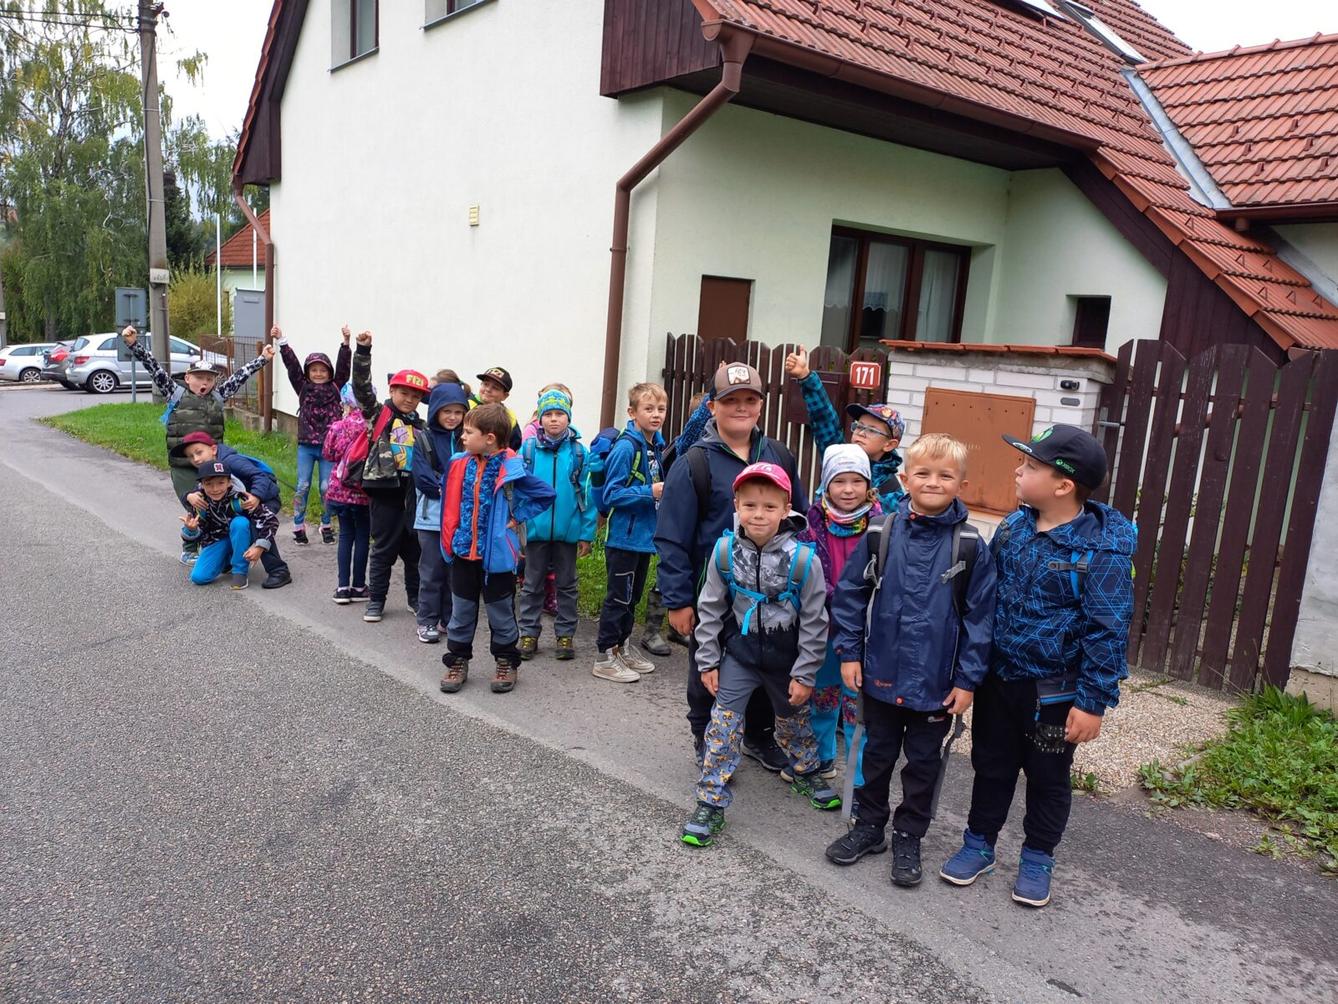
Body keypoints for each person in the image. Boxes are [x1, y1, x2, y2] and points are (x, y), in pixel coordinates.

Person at [940, 425, 1134, 909]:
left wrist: (1092, 703)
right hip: (999, 681)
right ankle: (979, 842)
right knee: (991, 765)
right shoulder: (1013, 527)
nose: (1018, 471)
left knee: (1048, 776)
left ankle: (1037, 856)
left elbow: (1107, 630)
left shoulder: (1103, 551)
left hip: (1053, 694)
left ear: (1063, 485)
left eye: (1029, 467)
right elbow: (984, 598)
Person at [825, 433, 996, 887]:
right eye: (923, 473)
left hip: (936, 685)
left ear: (961, 483)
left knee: (923, 766)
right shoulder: (881, 532)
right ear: (905, 478)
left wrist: (968, 680)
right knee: (875, 757)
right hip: (880, 672)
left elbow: (981, 620)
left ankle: (908, 835)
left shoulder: (971, 545)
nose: (933, 482)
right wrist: (849, 654)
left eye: (945, 475)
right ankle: (868, 827)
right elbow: (849, 596)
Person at [680, 462, 839, 847]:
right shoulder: (724, 552)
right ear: (736, 505)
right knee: (724, 724)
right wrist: (708, 662)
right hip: (742, 653)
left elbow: (817, 623)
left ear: (787, 508)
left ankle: (805, 770)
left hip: (786, 657)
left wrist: (804, 674)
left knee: (792, 719)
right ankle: (710, 802)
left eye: (769, 507)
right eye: (749, 505)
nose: (759, 515)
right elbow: (711, 609)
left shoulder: (805, 561)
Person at [654, 361, 802, 770]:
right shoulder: (694, 463)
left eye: (749, 400)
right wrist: (679, 600)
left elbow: (799, 522)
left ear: (760, 405)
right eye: (730, 400)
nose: (741, 408)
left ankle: (757, 734)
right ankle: (705, 735)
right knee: (709, 667)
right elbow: (671, 537)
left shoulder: (780, 456)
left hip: (769, 596)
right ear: (713, 406)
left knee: (765, 664)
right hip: (713, 597)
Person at [121, 324, 274, 563]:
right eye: (199, 377)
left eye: (209, 378)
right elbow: (154, 368)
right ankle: (190, 546)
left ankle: (221, 545)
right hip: (183, 462)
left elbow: (241, 376)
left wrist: (262, 359)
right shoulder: (175, 393)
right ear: (188, 378)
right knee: (194, 503)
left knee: (218, 501)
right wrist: (133, 344)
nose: (204, 382)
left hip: (211, 462)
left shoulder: (218, 396)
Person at [438, 403, 555, 695]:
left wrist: (515, 518)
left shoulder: (511, 467)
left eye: (468, 432)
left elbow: (545, 495)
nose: (462, 436)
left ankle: (506, 661)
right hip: (464, 552)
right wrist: (449, 537)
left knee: (501, 613)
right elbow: (448, 501)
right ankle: (457, 660)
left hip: (498, 557)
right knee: (461, 612)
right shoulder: (458, 463)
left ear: (489, 438)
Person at [795, 444, 882, 784]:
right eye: (840, 481)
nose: (848, 490)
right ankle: (821, 759)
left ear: (868, 485)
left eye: (857, 481)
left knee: (857, 707)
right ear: (826, 484)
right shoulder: (812, 523)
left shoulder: (880, 524)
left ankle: (860, 780)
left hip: (863, 633)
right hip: (823, 627)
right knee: (822, 696)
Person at [350, 331, 433, 624]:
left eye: (415, 395)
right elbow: (360, 387)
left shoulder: (422, 425)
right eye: (403, 393)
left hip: (413, 492)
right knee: (384, 549)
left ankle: (414, 598)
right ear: (392, 390)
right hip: (385, 490)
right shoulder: (379, 414)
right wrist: (363, 350)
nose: (409, 399)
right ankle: (376, 601)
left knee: (414, 551)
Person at [592, 382, 667, 683]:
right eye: (648, 409)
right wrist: (650, 491)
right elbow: (612, 495)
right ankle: (604, 655)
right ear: (632, 412)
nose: (656, 415)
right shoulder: (626, 447)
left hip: (643, 538)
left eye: (661, 409)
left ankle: (621, 647)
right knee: (618, 598)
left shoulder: (655, 445)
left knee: (632, 598)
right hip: (623, 537)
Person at [517, 389, 595, 661]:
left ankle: (565, 634)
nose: (553, 420)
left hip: (567, 531)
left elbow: (587, 495)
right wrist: (518, 528)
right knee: (532, 583)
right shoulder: (528, 450)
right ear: (539, 418)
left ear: (568, 417)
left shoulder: (578, 452)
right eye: (547, 414)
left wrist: (587, 533)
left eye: (559, 414)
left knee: (567, 584)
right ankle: (528, 632)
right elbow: (517, 490)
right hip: (536, 530)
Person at [173, 432, 293, 590]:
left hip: (263, 497)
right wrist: (188, 496)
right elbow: (198, 499)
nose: (195, 459)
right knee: (232, 525)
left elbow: (260, 476)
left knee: (254, 525)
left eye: (199, 452)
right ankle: (230, 557)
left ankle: (278, 570)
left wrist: (256, 496)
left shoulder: (231, 461)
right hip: (239, 501)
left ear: (213, 449)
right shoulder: (206, 472)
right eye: (190, 456)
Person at [784, 346, 905, 500]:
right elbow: (823, 418)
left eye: (872, 430)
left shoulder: (890, 489)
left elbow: (889, 523)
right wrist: (806, 377)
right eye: (859, 426)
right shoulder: (838, 456)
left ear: (889, 444)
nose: (861, 433)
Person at [276, 323, 351, 545]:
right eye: (314, 370)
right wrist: (282, 341)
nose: (318, 374)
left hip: (329, 447)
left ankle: (326, 524)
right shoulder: (303, 387)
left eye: (323, 370)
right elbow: (292, 366)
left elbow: (345, 367)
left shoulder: (336, 387)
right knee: (303, 485)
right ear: (308, 373)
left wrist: (346, 343)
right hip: (306, 447)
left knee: (327, 487)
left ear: (329, 372)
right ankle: (299, 526)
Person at [412, 380, 469, 642]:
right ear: (435, 410)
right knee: (432, 572)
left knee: (453, 573)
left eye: (458, 412)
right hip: (431, 520)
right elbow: (424, 479)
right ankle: (426, 620)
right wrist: (454, 488)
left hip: (459, 519)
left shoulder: (467, 439)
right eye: (447, 411)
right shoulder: (424, 439)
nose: (453, 417)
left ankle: (448, 618)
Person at [179, 460, 279, 589]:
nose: (215, 489)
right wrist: (191, 530)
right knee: (199, 577)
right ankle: (227, 561)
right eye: (209, 484)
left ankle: (240, 571)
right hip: (215, 542)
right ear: (201, 484)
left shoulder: (240, 499)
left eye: (221, 483)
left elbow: (270, 520)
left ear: (229, 482)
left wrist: (260, 547)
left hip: (240, 535)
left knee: (240, 523)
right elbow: (197, 535)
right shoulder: (198, 502)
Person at [324, 384, 374, 603]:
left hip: (340, 489)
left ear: (347, 402)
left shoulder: (338, 426)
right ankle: (359, 586)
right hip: (364, 490)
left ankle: (342, 588)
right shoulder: (372, 426)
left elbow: (328, 453)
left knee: (345, 536)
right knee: (363, 536)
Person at [472, 366, 524, 450]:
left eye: (495, 388)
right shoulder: (466, 405)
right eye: (485, 384)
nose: (488, 389)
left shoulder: (509, 417)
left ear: (505, 396)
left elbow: (513, 447)